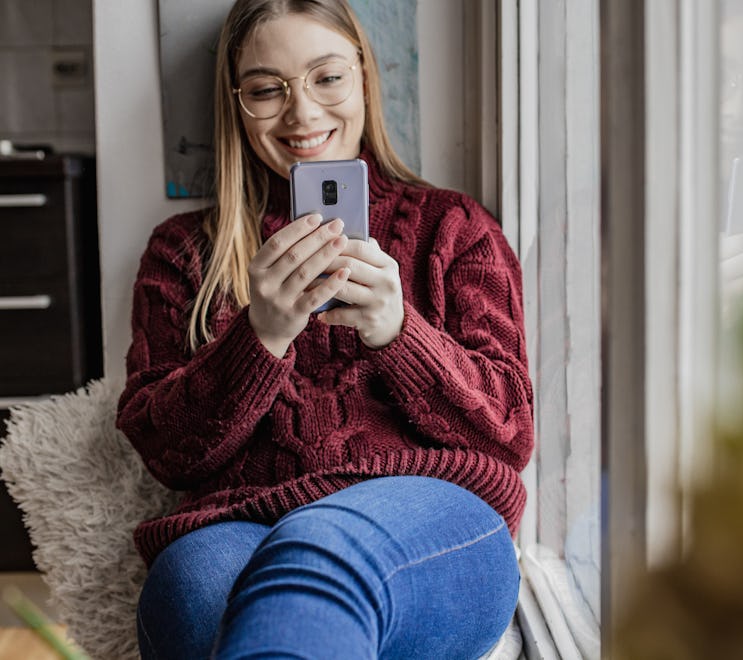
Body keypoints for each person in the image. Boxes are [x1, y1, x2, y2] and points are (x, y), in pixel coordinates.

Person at [116, 0, 534, 657]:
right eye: (265, 89)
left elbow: (510, 430)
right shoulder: (182, 254)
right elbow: (166, 454)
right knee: (197, 599)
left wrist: (402, 334)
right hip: (236, 523)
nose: (302, 113)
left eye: (327, 77)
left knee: (319, 550)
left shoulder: (455, 230)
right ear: (237, 104)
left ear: (366, 77)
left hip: (427, 519)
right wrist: (260, 338)